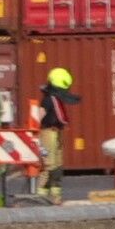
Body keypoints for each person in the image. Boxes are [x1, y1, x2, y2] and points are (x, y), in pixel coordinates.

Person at [32, 64, 77, 203]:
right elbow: (39, 116)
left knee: (57, 167)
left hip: (56, 133)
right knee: (48, 166)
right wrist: (35, 134)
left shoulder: (56, 99)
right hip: (48, 133)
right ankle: (41, 197)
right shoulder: (48, 100)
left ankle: (55, 197)